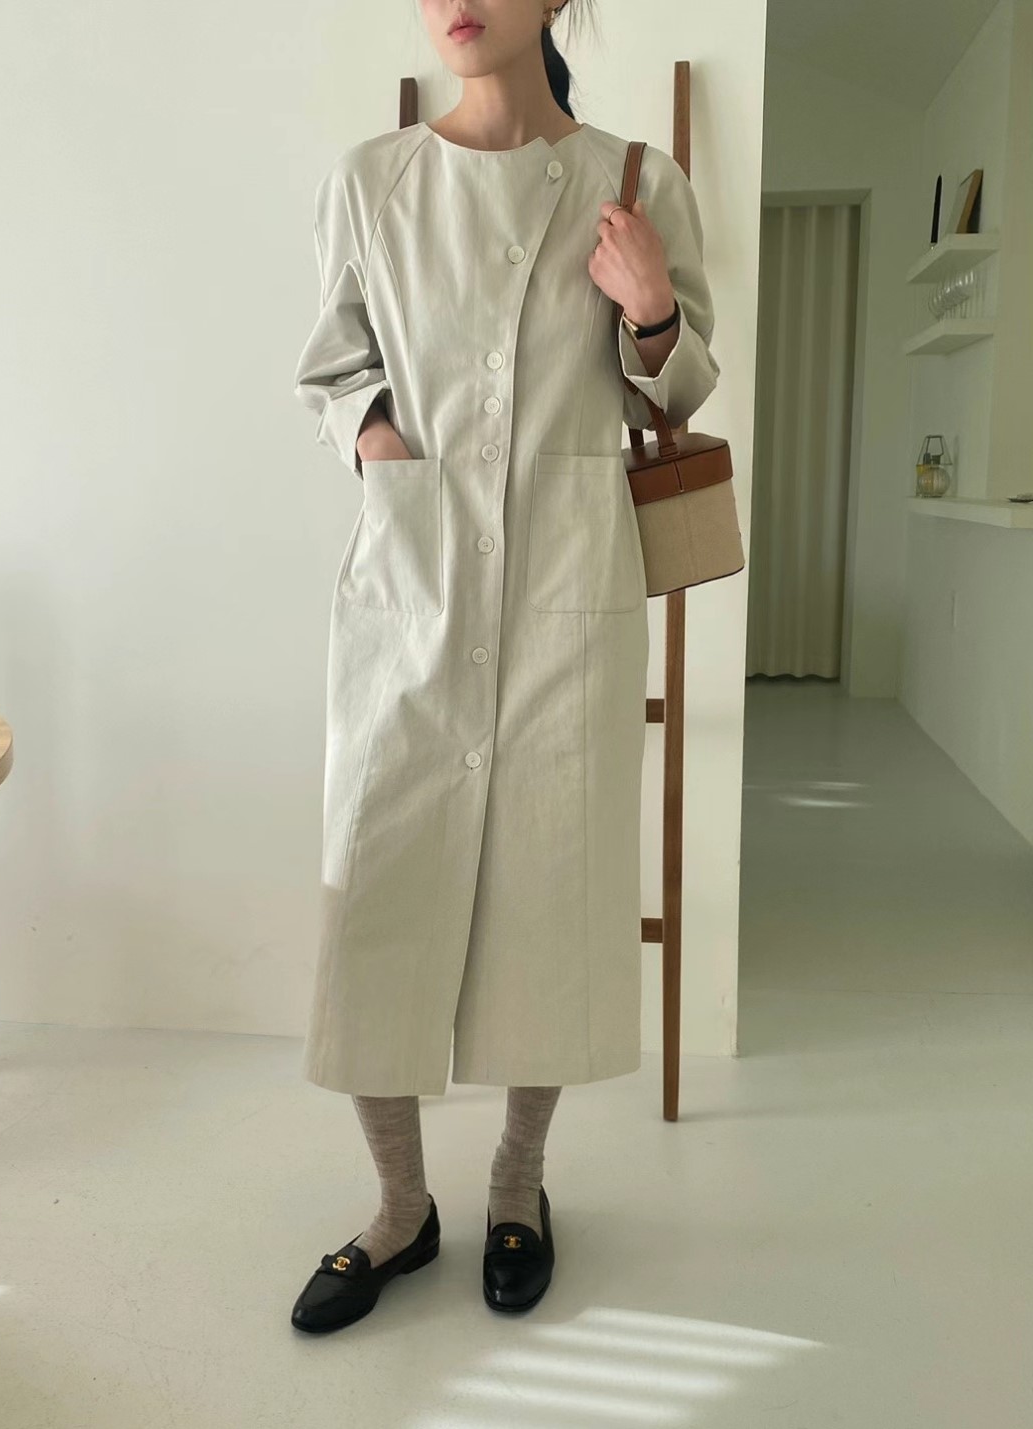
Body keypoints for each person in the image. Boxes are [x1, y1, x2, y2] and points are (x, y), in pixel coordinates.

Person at [290, 0, 720, 1334]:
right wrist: (380, 447)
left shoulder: (636, 182)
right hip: (410, 593)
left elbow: (677, 393)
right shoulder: (373, 179)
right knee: (377, 887)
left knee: (549, 888)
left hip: (565, 595)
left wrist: (652, 309)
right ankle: (399, 1206)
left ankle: (519, 1182)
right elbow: (331, 369)